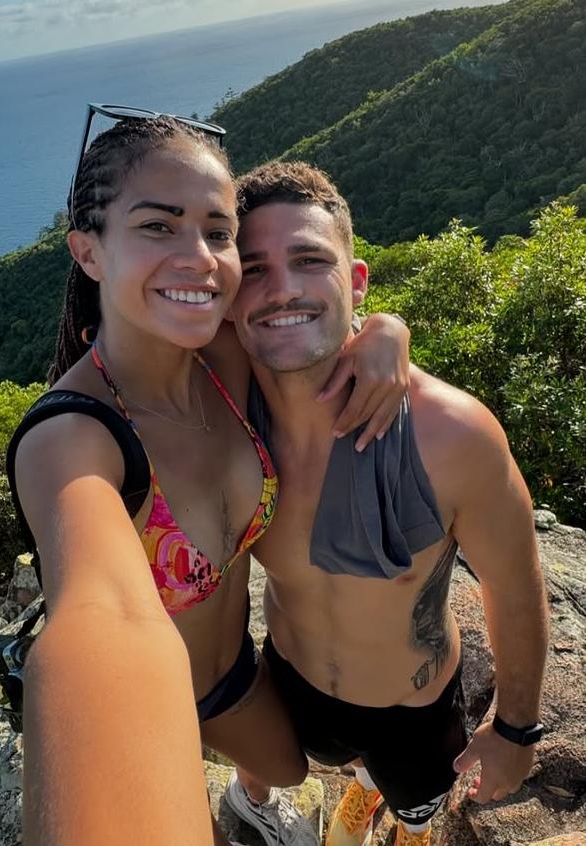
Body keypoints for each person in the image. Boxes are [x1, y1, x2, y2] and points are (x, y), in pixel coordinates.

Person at [9, 114, 411, 846]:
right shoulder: (71, 440)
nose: (198, 258)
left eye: (217, 232)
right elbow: (104, 623)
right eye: (158, 228)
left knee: (289, 770)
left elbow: (310, 320)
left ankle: (251, 802)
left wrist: (383, 330)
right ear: (88, 251)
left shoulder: (224, 359)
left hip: (233, 677)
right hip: (152, 700)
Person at [224, 162, 549, 846]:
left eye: (310, 259)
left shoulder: (448, 435)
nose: (281, 287)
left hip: (413, 706)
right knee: (281, 767)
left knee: (415, 802)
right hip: (289, 675)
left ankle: (402, 818)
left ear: (357, 279)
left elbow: (515, 587)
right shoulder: (220, 423)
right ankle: (274, 802)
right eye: (252, 268)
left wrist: (514, 728)